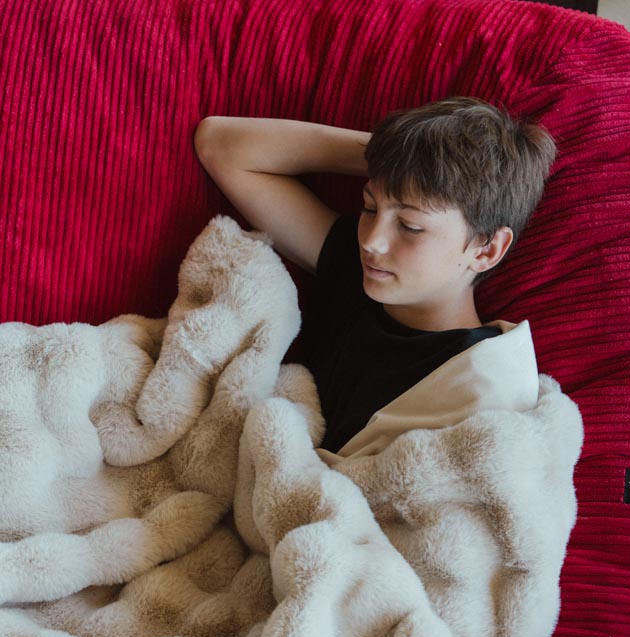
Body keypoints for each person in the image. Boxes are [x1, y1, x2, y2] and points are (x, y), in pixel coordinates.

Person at [192, 97, 557, 456]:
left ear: (486, 249)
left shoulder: (482, 386)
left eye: (410, 226)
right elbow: (219, 145)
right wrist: (394, 159)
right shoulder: (356, 269)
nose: (371, 240)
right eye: (370, 207)